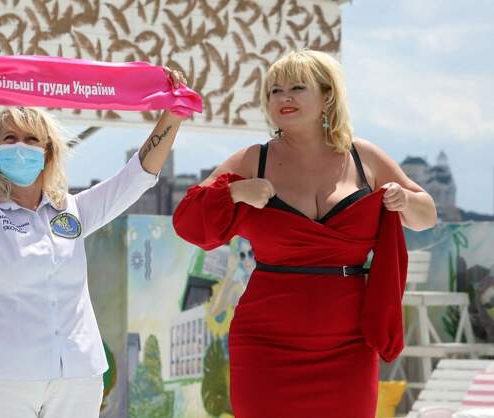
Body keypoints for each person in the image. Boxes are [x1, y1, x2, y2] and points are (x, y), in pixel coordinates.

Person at [0, 68, 187, 418]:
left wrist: (173, 115)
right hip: (3, 379)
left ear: (48, 152)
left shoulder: (74, 211)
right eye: (10, 138)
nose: (20, 146)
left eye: (31, 139)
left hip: (78, 375)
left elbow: (137, 177)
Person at [173, 49, 437, 417]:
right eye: (274, 91)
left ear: (327, 95)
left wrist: (403, 199)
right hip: (265, 345)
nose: (284, 97)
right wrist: (234, 192)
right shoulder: (253, 160)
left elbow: (426, 216)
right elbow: (187, 219)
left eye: (297, 87)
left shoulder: (364, 157)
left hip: (349, 345)